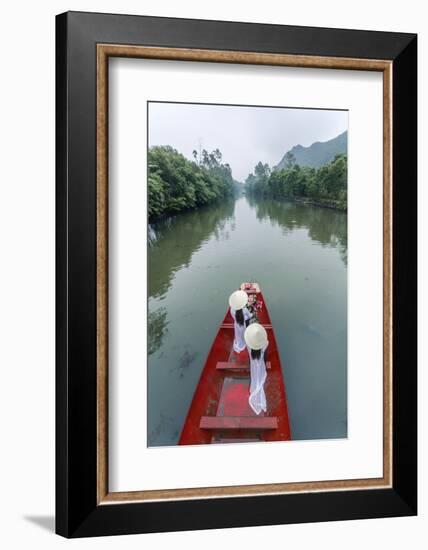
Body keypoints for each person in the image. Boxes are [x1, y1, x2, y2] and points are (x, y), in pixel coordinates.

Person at [244, 323, 269, 415]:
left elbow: (248, 341)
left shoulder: (249, 348)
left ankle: (255, 385)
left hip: (253, 365)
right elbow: (266, 343)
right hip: (261, 365)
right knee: (259, 377)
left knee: (254, 376)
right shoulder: (265, 345)